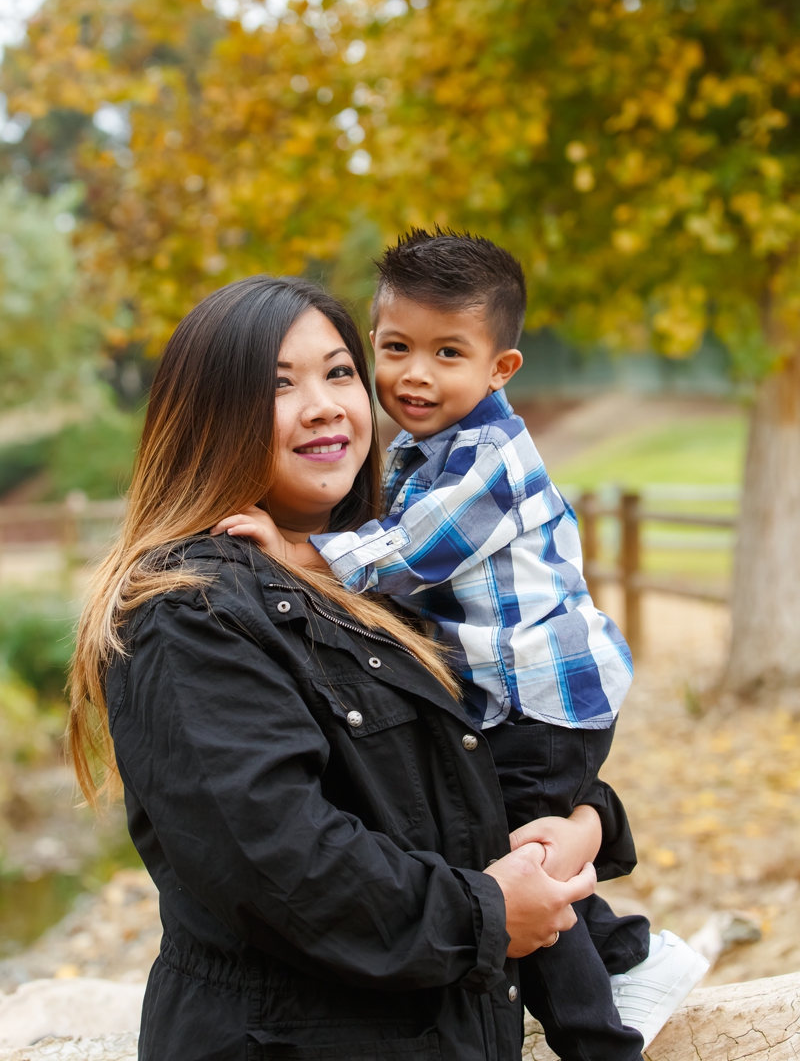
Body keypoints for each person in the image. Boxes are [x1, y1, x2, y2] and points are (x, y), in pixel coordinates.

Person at [68, 274, 603, 1061]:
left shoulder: (388, 585)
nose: (323, 404)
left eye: (339, 372)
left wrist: (589, 824)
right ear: (209, 418)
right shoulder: (188, 608)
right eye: (278, 385)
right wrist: (489, 913)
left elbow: (492, 758)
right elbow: (278, 863)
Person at [216, 231, 708, 1060]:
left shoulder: (488, 459)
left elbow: (412, 551)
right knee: (524, 838)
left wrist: (299, 550)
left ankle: (596, 1038)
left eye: (448, 353)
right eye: (397, 347)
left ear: (500, 370)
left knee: (508, 862)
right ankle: (628, 953)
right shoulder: (422, 448)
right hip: (521, 698)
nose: (414, 374)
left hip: (541, 700)